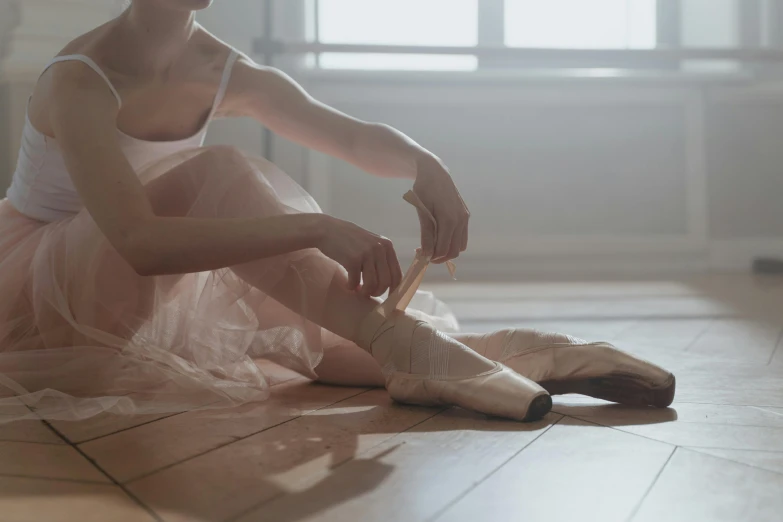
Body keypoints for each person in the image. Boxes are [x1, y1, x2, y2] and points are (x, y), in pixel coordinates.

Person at [0, 0, 674, 424]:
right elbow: (138, 241)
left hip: (144, 291)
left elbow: (347, 136)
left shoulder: (218, 65)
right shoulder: (78, 79)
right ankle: (414, 348)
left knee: (317, 335)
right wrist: (320, 228)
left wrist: (425, 165)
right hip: (38, 307)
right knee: (219, 174)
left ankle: (522, 355)